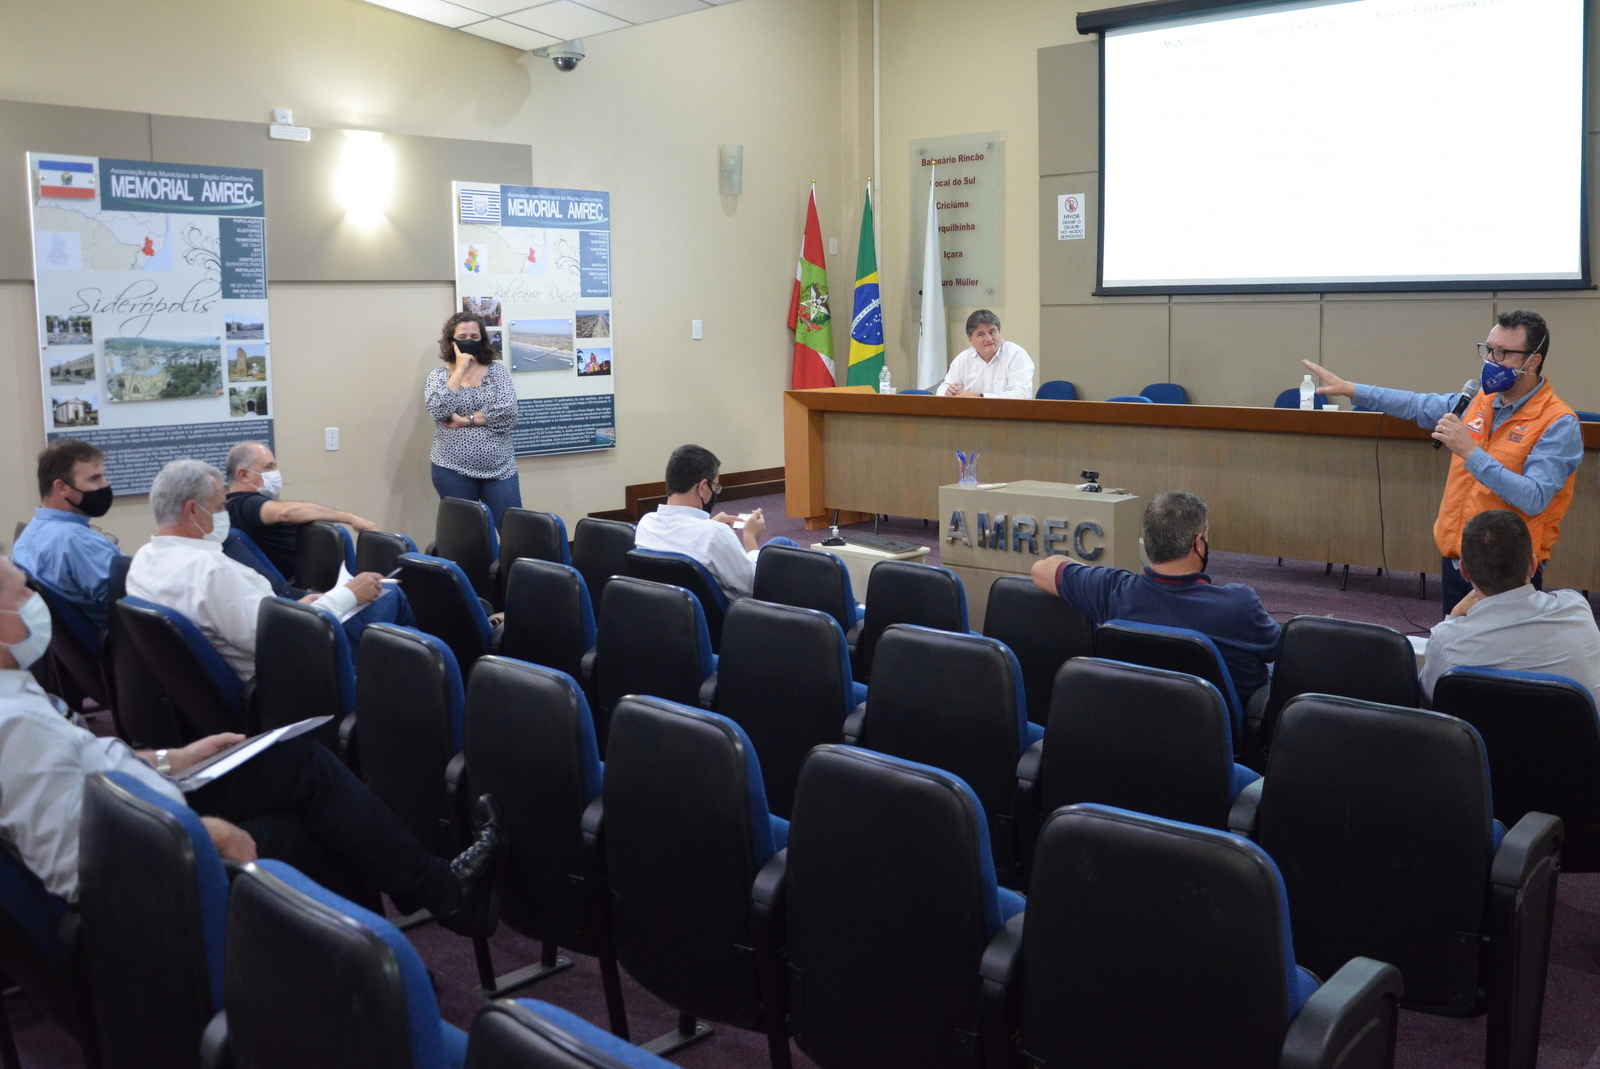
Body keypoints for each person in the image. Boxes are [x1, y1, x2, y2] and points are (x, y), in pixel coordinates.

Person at [0, 554, 502, 935]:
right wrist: (201, 833)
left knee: (299, 760)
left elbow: (79, 772)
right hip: (153, 858)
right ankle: (384, 964)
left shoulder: (16, 698)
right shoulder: (15, 725)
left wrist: (167, 759)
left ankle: (427, 903)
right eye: (22, 593)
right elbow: (79, 862)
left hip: (146, 795)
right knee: (305, 833)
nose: (33, 599)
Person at [1302, 309, 1582, 613]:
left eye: (1502, 353)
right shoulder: (1477, 402)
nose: (1490, 360)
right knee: (1456, 649)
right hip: (1459, 559)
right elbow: (1415, 404)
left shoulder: (1557, 422)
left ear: (1533, 361)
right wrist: (1351, 390)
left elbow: (1534, 497)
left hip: (1509, 570)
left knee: (1501, 655)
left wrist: (1471, 453)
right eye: (1488, 350)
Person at [126, 459, 413, 682]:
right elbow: (286, 639)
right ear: (192, 510)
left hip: (233, 668)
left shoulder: (143, 561)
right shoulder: (210, 573)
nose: (224, 514)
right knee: (392, 596)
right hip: (289, 676)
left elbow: (244, 619)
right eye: (218, 507)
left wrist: (294, 606)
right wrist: (349, 595)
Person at [1030, 490, 1280, 699]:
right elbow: (1281, 651)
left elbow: (1041, 569)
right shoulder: (1240, 605)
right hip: (1219, 747)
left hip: (1136, 732)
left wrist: (1090, 578)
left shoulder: (1111, 590)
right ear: (1199, 543)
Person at [1418, 510, 1600, 704]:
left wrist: (1453, 619)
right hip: (1575, 734)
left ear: (1464, 571)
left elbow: (1429, 701)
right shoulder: (1576, 609)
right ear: (1532, 565)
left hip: (1485, 735)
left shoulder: (1446, 642)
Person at [634, 444, 800, 601]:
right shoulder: (714, 534)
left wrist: (710, 524)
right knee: (782, 544)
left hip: (673, 616)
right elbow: (753, 586)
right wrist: (750, 538)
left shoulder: (646, 524)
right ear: (703, 487)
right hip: (728, 621)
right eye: (716, 486)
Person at [224, 440, 377, 582]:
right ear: (244, 475)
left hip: (317, 577)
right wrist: (350, 518)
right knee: (394, 592)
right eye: (268, 467)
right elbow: (285, 512)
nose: (275, 472)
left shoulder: (234, 505)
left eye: (275, 466)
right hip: (311, 589)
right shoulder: (245, 505)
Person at [424, 312, 521, 530]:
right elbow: (439, 409)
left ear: (483, 340)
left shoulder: (498, 372)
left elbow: (508, 413)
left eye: (475, 337)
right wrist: (459, 370)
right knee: (465, 535)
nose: (469, 341)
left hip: (500, 470)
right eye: (463, 336)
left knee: (514, 531)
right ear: (451, 341)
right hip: (452, 470)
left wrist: (465, 420)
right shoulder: (438, 377)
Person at [12, 440, 120, 627]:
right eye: (94, 479)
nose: (105, 485)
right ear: (61, 488)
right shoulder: (77, 542)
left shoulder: (30, 531)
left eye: (104, 476)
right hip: (115, 647)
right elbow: (128, 605)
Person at [939, 310, 1036, 400]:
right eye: (981, 335)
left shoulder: (1016, 355)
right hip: (970, 417)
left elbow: (1022, 396)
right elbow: (942, 389)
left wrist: (979, 397)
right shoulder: (963, 359)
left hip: (1008, 417)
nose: (989, 339)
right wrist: (948, 392)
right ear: (970, 340)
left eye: (992, 332)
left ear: (999, 332)